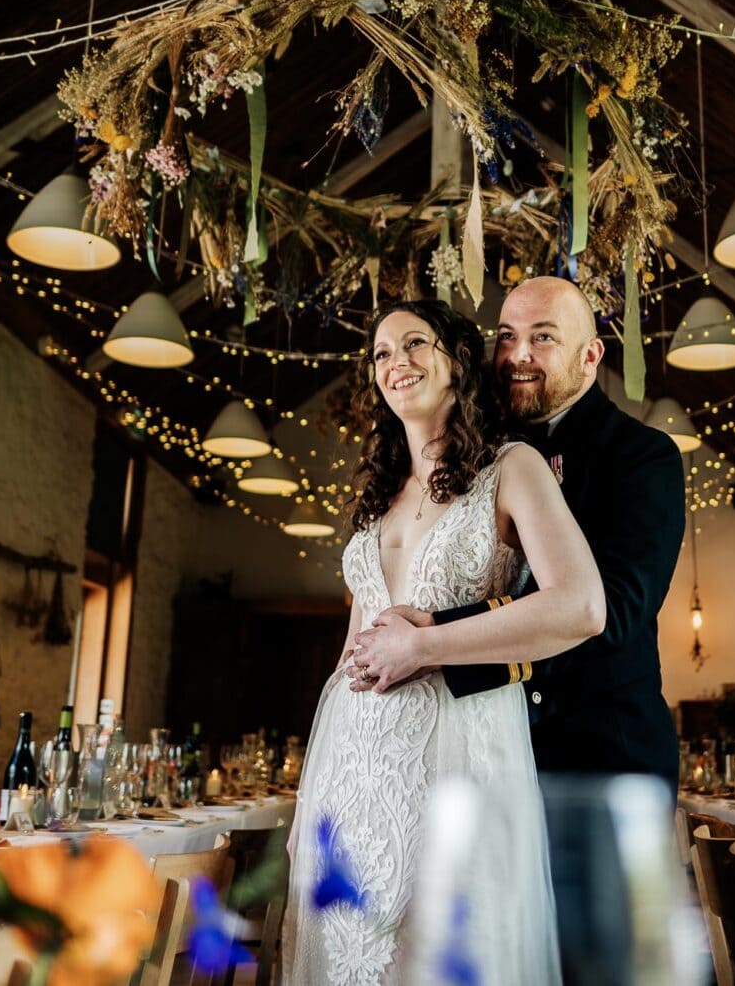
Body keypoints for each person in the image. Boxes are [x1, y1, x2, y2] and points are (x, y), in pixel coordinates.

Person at [280, 299, 604, 985]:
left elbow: (580, 606)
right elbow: (352, 651)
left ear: (458, 360)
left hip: (457, 751)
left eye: (415, 344)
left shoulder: (513, 468)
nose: (397, 363)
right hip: (354, 764)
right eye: (381, 353)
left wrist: (427, 647)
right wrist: (313, 794)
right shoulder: (376, 496)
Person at [350, 276, 685, 794]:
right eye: (506, 336)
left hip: (600, 757)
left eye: (543, 337)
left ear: (591, 355)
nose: (518, 354)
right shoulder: (477, 456)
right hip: (486, 757)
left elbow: (609, 614)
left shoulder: (641, 456)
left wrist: (429, 637)